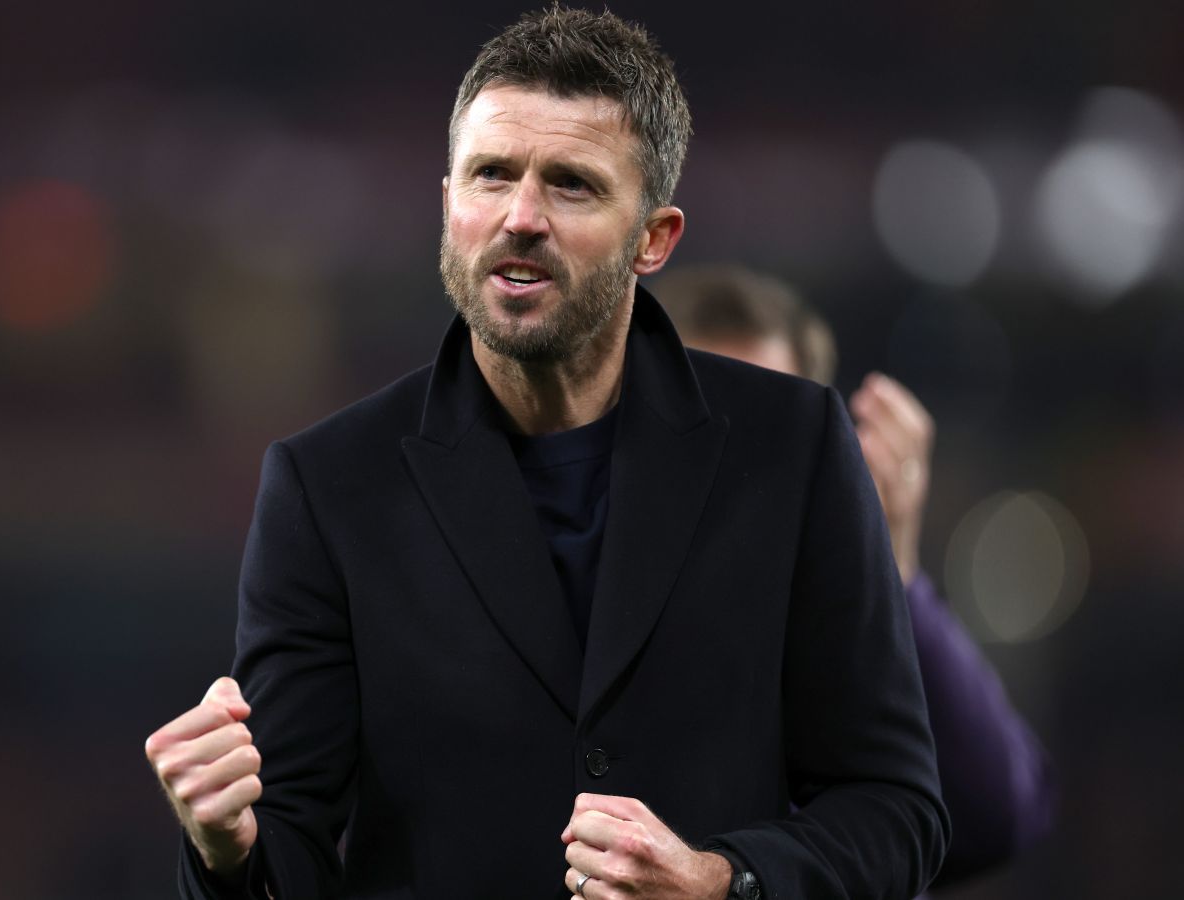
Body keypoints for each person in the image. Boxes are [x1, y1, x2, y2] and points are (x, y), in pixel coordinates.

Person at [145, 9, 949, 899]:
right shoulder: (328, 487)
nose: (520, 218)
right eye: (491, 174)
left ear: (654, 239)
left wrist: (722, 882)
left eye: (571, 185)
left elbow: (895, 812)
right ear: (448, 202)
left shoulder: (793, 448)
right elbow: (286, 845)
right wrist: (225, 849)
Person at [653, 263, 1055, 889]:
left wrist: (886, 564)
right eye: (707, 421)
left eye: (764, 423)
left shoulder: (825, 619)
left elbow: (993, 817)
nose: (733, 463)